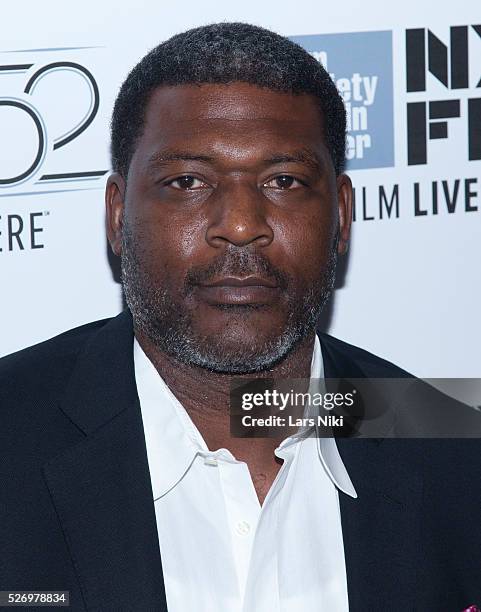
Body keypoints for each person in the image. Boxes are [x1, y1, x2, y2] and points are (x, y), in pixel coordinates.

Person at [0, 22, 480, 612]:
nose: (241, 223)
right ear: (117, 213)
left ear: (342, 215)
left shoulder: (455, 450)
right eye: (187, 181)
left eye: (284, 180)